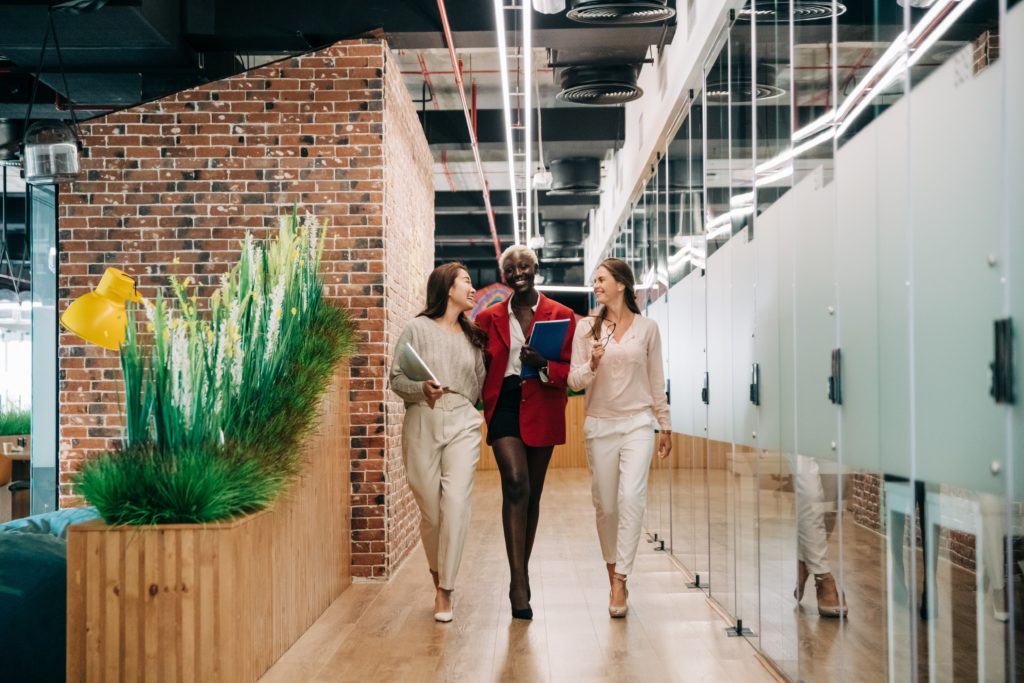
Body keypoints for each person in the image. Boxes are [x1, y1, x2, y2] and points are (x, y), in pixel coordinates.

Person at [476, 245, 576, 620]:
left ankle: (523, 568)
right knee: (515, 483)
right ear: (504, 275)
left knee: (532, 495)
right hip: (505, 401)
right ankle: (518, 582)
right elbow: (477, 361)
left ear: (536, 269)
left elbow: (571, 371)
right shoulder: (487, 318)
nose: (518, 273)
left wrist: (544, 363)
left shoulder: (562, 316)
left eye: (524, 267)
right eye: (510, 268)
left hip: (544, 402)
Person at [568, 258, 672, 618]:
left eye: (601, 279)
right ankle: (612, 569)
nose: (595, 285)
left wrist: (665, 424)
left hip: (638, 424)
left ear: (621, 285)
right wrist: (592, 365)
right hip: (600, 425)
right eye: (594, 280)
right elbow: (573, 381)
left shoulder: (648, 328)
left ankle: (622, 579)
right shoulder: (586, 329)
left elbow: (656, 380)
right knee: (607, 506)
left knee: (631, 498)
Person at [388, 262, 486, 623]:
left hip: (462, 419)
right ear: (448, 288)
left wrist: (462, 404)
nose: (473, 288)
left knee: (456, 503)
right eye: (467, 281)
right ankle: (437, 574)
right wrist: (420, 390)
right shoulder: (416, 328)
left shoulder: (474, 336)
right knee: (431, 510)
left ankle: (446, 589)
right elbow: (396, 378)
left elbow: (478, 383)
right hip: (422, 419)